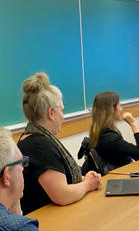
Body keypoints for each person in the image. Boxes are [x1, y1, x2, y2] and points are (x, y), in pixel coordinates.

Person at [17, 72, 101, 216]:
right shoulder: (39, 146)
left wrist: (85, 178)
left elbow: (59, 178)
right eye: (61, 111)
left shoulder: (34, 137)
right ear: (51, 113)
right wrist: (88, 184)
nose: (63, 116)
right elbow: (62, 195)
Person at [88, 91, 139, 172]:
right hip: (123, 174)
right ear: (111, 109)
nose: (121, 109)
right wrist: (133, 124)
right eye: (119, 105)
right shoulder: (110, 138)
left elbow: (129, 150)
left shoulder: (102, 133)